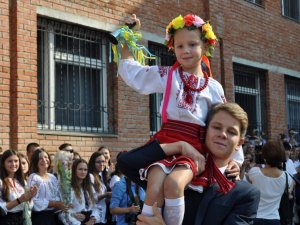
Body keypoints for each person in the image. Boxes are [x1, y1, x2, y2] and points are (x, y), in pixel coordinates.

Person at [116, 13, 243, 224]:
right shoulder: (168, 75)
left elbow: (228, 123)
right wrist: (128, 35)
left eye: (192, 44)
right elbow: (134, 73)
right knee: (154, 185)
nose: (185, 51)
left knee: (173, 185)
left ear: (205, 47)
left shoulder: (213, 87)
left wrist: (235, 161)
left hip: (195, 147)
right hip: (167, 141)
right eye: (179, 46)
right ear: (172, 48)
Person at [117, 102, 260, 225]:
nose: (222, 134)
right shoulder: (176, 171)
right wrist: (179, 146)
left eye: (231, 132)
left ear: (239, 143)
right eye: (217, 127)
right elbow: (126, 162)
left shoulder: (246, 194)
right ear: (205, 132)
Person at [246, 140, 291, 225]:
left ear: (265, 156)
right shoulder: (286, 176)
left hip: (255, 218)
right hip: (274, 219)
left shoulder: (254, 172)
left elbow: (244, 185)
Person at [28, 148, 68, 225]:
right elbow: (33, 201)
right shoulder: (34, 177)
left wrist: (62, 205)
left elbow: (57, 195)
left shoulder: (52, 177)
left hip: (54, 215)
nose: (44, 160)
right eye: (40, 158)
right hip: (41, 218)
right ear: (35, 161)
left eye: (46, 157)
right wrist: (54, 204)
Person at [0, 150, 38, 225]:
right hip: (7, 220)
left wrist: (30, 197)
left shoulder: (22, 181)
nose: (14, 164)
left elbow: (29, 206)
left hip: (23, 218)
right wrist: (21, 199)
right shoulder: (1, 182)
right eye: (10, 161)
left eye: (16, 161)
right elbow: (2, 207)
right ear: (3, 163)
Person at [60, 158, 101, 225]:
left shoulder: (89, 188)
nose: (83, 172)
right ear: (74, 170)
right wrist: (74, 216)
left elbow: (96, 206)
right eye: (80, 169)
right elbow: (63, 212)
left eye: (85, 170)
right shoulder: (69, 188)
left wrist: (93, 218)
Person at [88, 152, 112, 225]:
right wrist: (105, 195)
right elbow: (91, 198)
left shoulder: (101, 176)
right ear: (93, 163)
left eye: (103, 161)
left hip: (102, 217)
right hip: (93, 217)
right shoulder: (90, 176)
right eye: (98, 162)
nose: (101, 164)